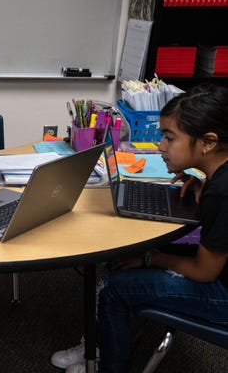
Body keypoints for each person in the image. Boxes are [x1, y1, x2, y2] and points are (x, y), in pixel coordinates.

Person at [52, 83, 228, 373]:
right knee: (124, 261)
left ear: (208, 142)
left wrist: (151, 258)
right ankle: (99, 344)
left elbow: (204, 272)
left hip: (221, 293)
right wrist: (202, 181)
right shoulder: (217, 177)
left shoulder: (222, 193)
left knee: (114, 287)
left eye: (169, 138)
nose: (160, 146)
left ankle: (108, 365)